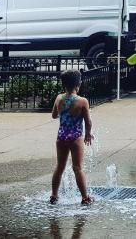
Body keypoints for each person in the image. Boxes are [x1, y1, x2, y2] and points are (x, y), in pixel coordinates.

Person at [50, 70, 94, 206]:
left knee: (60, 167)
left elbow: (53, 115)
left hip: (61, 136)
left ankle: (54, 195)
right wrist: (88, 134)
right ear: (78, 84)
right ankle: (85, 197)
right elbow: (88, 121)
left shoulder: (59, 98)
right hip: (76, 137)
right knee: (78, 168)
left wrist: (64, 113)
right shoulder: (82, 101)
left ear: (64, 85)